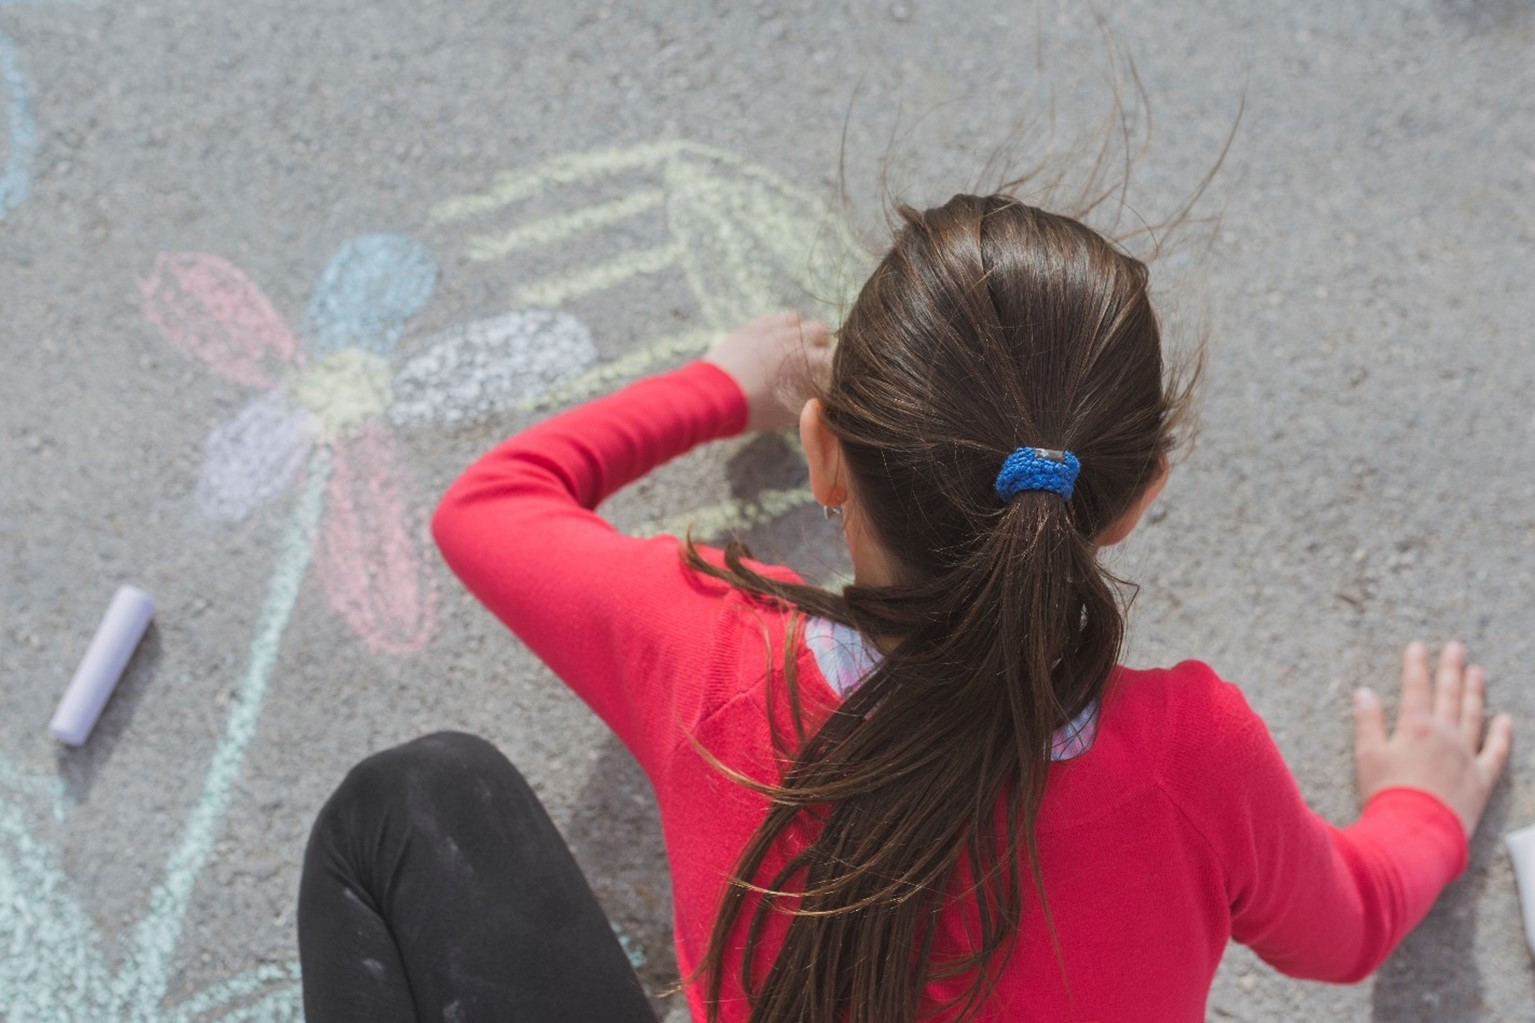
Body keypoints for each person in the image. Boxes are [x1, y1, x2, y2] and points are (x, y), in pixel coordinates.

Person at [297, 194, 1513, 1023]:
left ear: (824, 459)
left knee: (416, 796)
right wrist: (1422, 812)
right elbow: (1344, 931)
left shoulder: (709, 648)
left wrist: (722, 384)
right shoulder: (1193, 759)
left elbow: (488, 506)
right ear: (1132, 499)